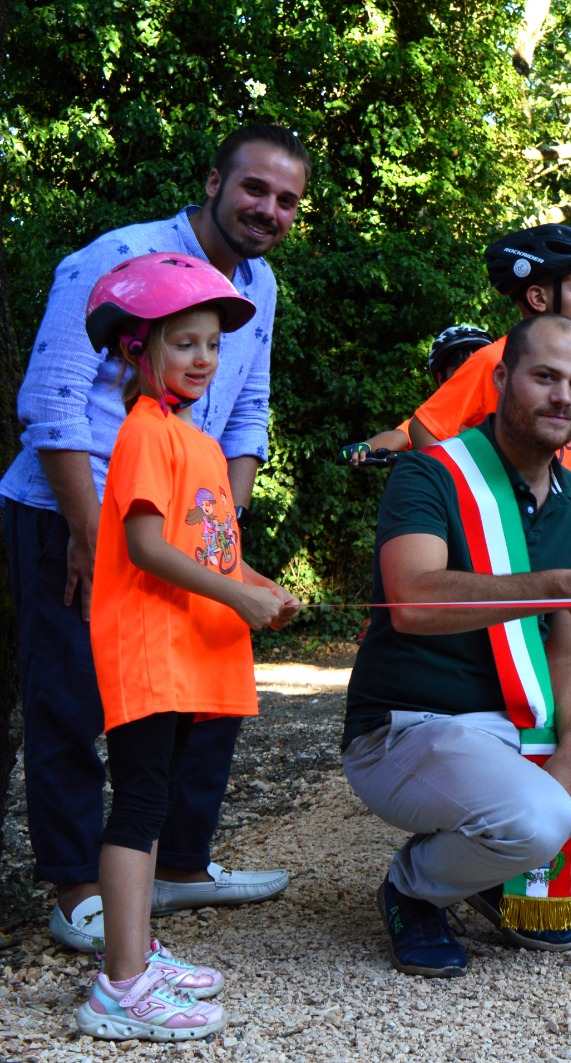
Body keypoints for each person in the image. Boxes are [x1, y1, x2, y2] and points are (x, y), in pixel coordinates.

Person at [2, 123, 309, 953]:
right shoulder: (118, 258)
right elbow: (54, 404)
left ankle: (180, 864)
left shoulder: (262, 286)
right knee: (72, 694)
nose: (268, 209)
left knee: (203, 687)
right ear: (213, 180)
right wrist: (88, 530)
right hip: (73, 506)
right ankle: (76, 885)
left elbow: (249, 414)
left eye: (287, 200)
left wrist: (221, 537)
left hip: (189, 521)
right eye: (255, 188)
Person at [342, 313, 571, 977]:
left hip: (524, 724)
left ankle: (493, 868)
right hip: (409, 729)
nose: (563, 397)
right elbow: (412, 601)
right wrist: (557, 583)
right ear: (499, 378)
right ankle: (415, 887)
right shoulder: (429, 475)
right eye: (544, 376)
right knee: (540, 815)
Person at [74, 254, 301, 1040]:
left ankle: (136, 953)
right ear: (138, 350)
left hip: (181, 653)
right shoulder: (145, 432)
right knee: (137, 807)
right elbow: (144, 546)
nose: (203, 359)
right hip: (147, 650)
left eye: (212, 344)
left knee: (154, 801)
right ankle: (120, 985)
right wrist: (237, 594)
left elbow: (210, 552)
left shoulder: (193, 440)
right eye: (184, 344)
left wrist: (260, 585)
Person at [404, 225, 571, 737]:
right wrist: (476, 496)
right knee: (544, 658)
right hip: (536, 545)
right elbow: (429, 426)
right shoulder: (496, 359)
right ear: (538, 297)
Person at [340, 325, 493, 463]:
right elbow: (399, 436)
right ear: (442, 379)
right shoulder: (435, 418)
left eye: (480, 369)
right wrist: (366, 447)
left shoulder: (502, 404)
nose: (473, 378)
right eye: (463, 372)